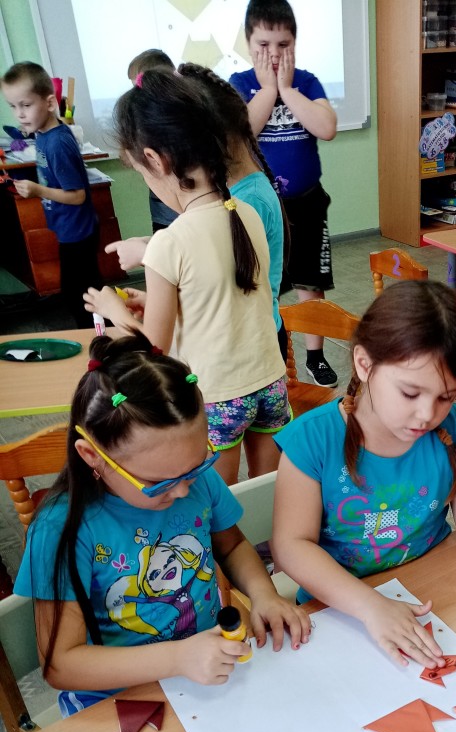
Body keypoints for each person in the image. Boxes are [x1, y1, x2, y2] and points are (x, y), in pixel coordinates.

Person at [14, 333, 311, 718]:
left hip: (206, 674)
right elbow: (61, 664)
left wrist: (264, 594)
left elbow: (233, 546)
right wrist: (178, 658)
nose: (184, 489)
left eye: (196, 466)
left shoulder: (193, 479)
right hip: (117, 701)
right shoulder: (61, 529)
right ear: (92, 455)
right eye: (159, 482)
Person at [271, 280, 456, 667]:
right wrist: (370, 606)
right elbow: (291, 547)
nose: (427, 415)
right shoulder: (313, 439)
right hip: (340, 606)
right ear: (364, 365)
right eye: (410, 393)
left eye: (445, 397)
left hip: (432, 591)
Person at [84, 68, 288, 484]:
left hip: (220, 395)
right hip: (271, 379)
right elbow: (228, 295)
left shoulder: (169, 242)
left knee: (220, 496)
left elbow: (152, 347)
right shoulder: (246, 212)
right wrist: (161, 301)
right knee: (268, 490)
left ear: (156, 160)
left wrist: (112, 310)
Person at [230, 0, 339, 388]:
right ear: (248, 43)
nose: (274, 54)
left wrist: (287, 89)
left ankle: (315, 356)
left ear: (295, 43)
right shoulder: (239, 85)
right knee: (265, 284)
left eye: (283, 44)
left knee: (311, 283)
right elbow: (239, 134)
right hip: (260, 209)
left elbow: (326, 127)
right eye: (263, 45)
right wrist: (267, 90)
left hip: (307, 204)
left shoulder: (306, 83)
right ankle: (270, 352)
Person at [176, 62, 289, 362]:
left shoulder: (250, 200)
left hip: (254, 346)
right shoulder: (234, 191)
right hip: (246, 339)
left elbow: (222, 277)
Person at [1, 61, 101, 328]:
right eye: (13, 106)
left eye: (26, 105)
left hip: (78, 231)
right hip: (68, 227)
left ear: (49, 103)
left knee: (83, 297)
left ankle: (103, 339)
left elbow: (78, 196)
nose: (20, 114)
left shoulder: (57, 143)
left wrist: (37, 190)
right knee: (79, 292)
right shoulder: (43, 134)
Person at [126, 49, 178, 234]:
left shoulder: (177, 116)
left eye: (138, 88)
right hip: (161, 213)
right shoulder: (141, 119)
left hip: (185, 211)